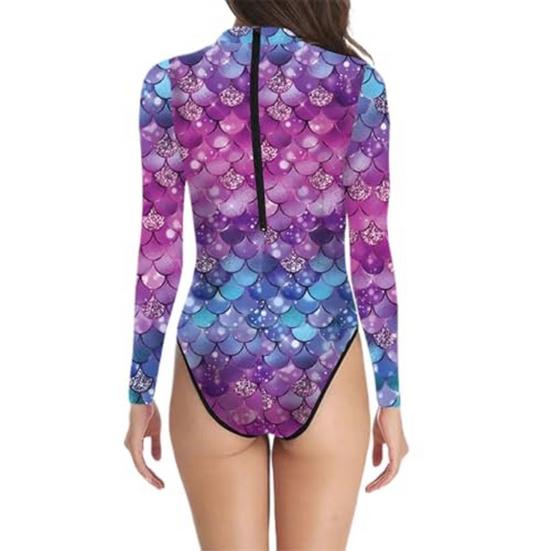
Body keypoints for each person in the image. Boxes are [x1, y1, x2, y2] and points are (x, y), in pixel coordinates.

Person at [125, 0, 409, 548]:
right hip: (323, 352)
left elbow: (158, 248)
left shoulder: (171, 83)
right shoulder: (357, 85)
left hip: (211, 357)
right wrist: (390, 398)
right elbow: (371, 254)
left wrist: (141, 390)